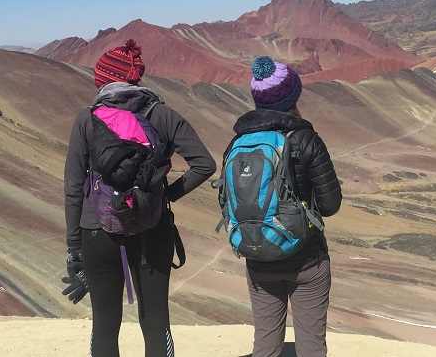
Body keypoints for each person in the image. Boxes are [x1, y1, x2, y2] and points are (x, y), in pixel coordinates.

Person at [63, 40, 216, 357]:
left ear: (104, 81)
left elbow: (74, 187)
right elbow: (204, 164)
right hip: (152, 226)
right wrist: (166, 195)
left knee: (105, 325)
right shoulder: (162, 114)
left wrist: (74, 245)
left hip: (97, 231)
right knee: (156, 321)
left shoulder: (86, 119)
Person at [233, 56, 342, 357]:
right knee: (311, 346)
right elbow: (331, 204)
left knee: (266, 346)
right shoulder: (306, 139)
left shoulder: (240, 142)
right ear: (293, 95)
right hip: (307, 260)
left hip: (259, 257)